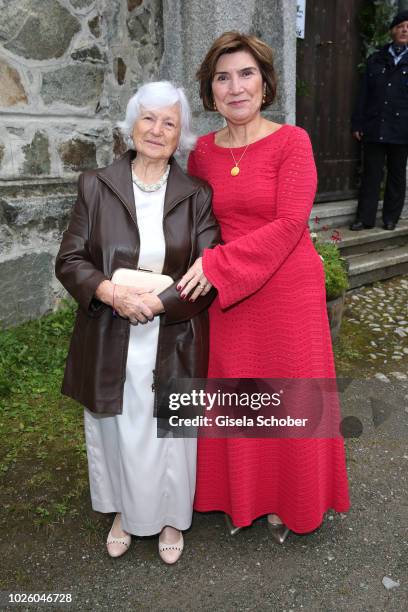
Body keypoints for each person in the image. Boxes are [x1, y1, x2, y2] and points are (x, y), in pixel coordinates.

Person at [178, 32, 350, 542]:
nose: (236, 87)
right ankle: (241, 497)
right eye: (222, 78)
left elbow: (290, 223)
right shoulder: (202, 153)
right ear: (210, 93)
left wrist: (218, 266)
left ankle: (290, 500)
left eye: (246, 74)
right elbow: (192, 224)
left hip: (285, 288)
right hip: (229, 295)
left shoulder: (292, 141)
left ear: (266, 82)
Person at [55, 81, 220, 563]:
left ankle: (171, 517)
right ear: (132, 124)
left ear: (181, 136)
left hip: (173, 329)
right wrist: (111, 293)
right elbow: (70, 259)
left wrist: (161, 302)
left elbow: (209, 265)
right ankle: (124, 511)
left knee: (170, 431)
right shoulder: (96, 184)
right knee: (120, 425)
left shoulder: (197, 195)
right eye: (149, 118)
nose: (157, 129)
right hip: (111, 328)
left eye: (170, 122)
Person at [350, 10, 408, 231]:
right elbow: (363, 94)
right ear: (393, 30)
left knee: (396, 175)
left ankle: (390, 218)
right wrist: (358, 123)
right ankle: (364, 219)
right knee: (371, 174)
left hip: (402, 129)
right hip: (375, 126)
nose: (405, 30)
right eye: (401, 25)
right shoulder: (376, 59)